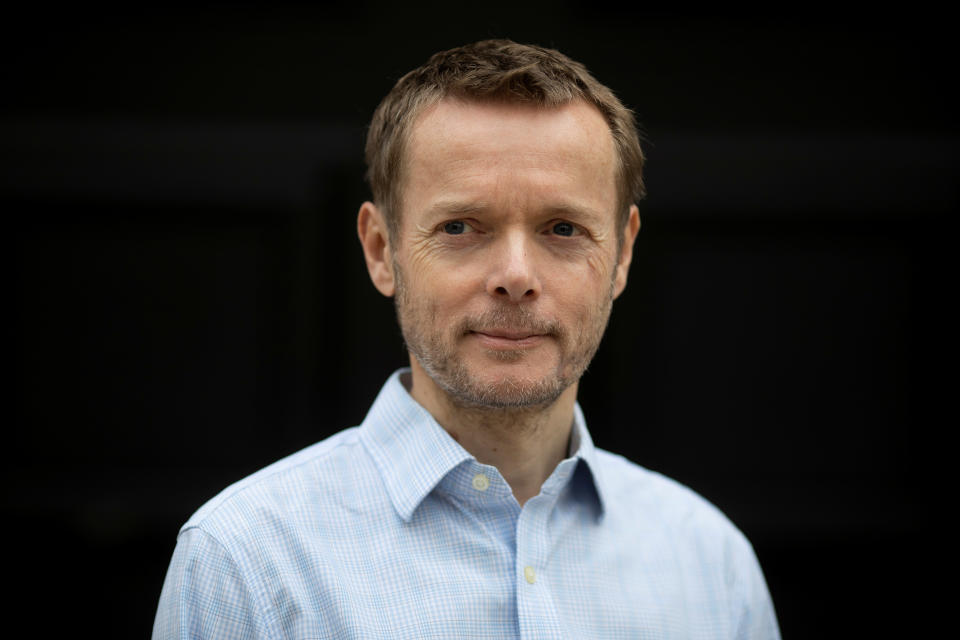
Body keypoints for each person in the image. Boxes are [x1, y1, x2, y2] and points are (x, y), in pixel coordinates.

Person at [153, 39, 781, 639]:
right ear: (381, 250)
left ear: (622, 254)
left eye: (563, 228)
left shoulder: (711, 564)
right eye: (460, 226)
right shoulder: (245, 560)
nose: (515, 277)